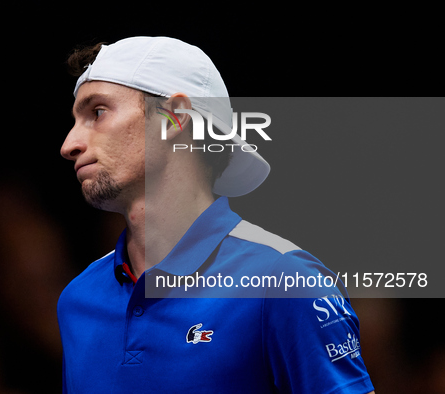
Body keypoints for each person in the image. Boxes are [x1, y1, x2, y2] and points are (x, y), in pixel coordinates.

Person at [57, 36, 375, 393]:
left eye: (97, 112)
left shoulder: (287, 281)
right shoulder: (77, 300)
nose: (69, 145)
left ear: (174, 117)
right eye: (76, 119)